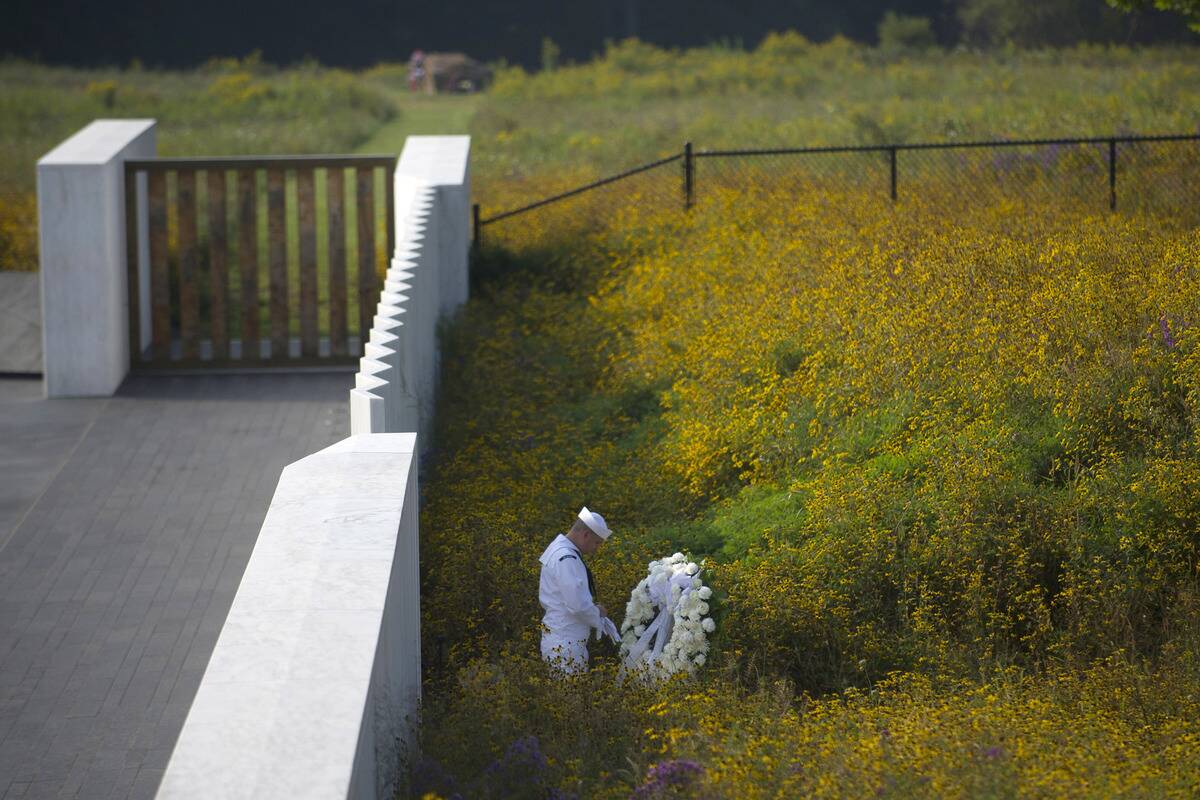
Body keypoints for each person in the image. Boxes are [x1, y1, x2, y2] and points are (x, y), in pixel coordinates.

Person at [538, 506, 620, 673]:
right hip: (565, 643)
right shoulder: (566, 557)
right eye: (597, 543)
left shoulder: (561, 550)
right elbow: (577, 606)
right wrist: (598, 613)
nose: (596, 548)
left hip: (565, 640)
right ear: (585, 535)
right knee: (568, 696)